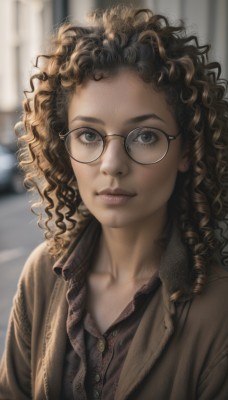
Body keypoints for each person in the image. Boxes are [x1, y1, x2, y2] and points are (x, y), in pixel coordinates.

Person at [0, 5, 228, 400]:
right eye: (89, 135)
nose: (112, 165)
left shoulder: (220, 310)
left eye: (144, 136)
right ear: (63, 145)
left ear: (187, 151)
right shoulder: (42, 275)